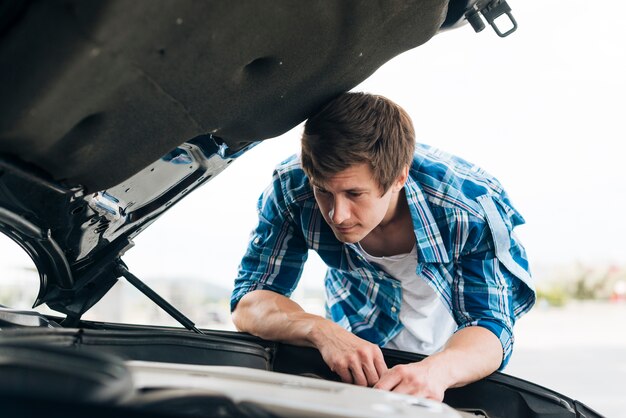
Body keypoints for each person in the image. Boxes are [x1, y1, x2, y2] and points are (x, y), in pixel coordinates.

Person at [231, 92, 535, 401]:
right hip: (354, 339)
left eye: (354, 193)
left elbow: (490, 325)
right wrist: (320, 330)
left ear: (399, 177)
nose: (337, 215)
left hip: (451, 360)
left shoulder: (468, 208)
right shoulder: (293, 188)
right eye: (323, 191)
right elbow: (249, 302)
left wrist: (435, 372)